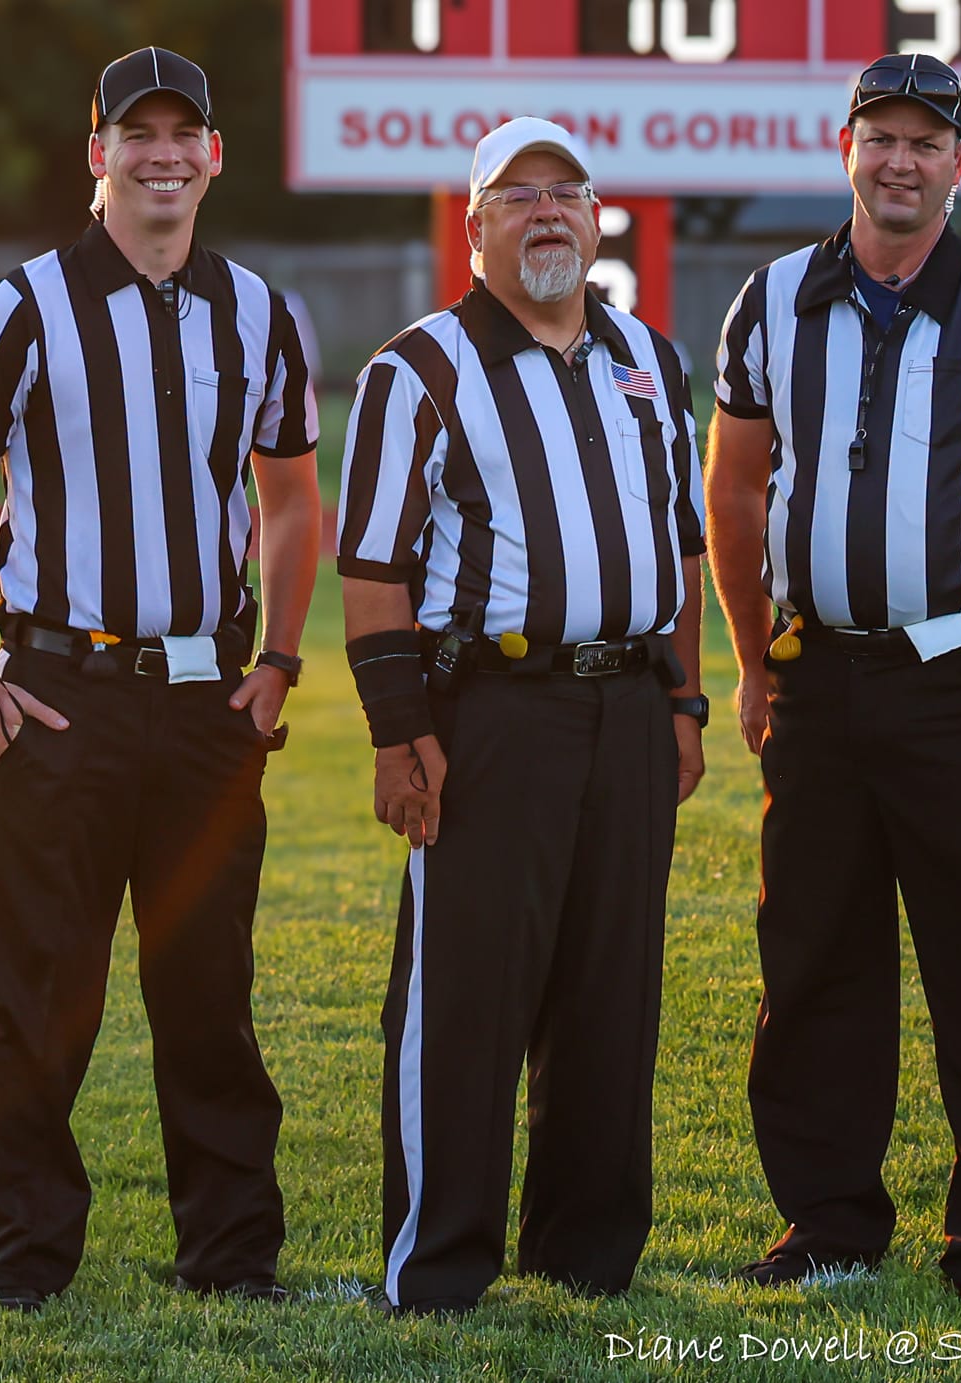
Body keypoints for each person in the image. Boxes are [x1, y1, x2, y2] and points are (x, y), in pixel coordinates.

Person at [0, 47, 318, 1313]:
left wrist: (280, 660)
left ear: (213, 154)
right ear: (97, 155)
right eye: (134, 133)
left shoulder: (258, 311)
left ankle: (232, 1256)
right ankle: (26, 1266)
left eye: (180, 133)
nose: (160, 154)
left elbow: (291, 500)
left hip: (207, 703)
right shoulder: (23, 306)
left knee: (211, 996)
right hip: (62, 696)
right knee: (44, 997)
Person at [705, 54, 961, 1303]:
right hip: (817, 676)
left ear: (959, 161)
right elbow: (733, 489)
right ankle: (827, 1220)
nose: (900, 161)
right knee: (811, 954)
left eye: (926, 142)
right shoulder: (771, 299)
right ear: (846, 147)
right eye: (880, 136)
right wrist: (750, 660)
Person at [336, 117, 706, 1314]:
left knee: (613, 987)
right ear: (475, 225)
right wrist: (397, 733)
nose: (546, 211)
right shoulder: (419, 369)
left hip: (631, 705)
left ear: (594, 216)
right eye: (517, 194)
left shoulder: (647, 357)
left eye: (566, 191)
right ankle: (439, 1260)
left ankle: (585, 1252)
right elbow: (372, 570)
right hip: (492, 709)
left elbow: (681, 547)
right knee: (467, 993)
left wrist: (686, 699)